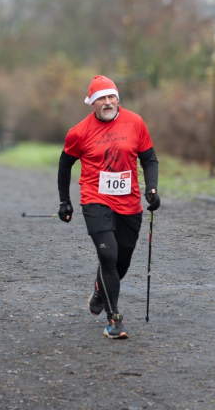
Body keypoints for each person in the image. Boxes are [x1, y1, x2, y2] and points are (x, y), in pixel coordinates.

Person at [57, 75, 160, 340]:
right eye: (101, 98)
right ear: (92, 103)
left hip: (129, 202)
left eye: (111, 96)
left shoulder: (135, 122)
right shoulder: (79, 132)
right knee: (108, 256)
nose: (107, 102)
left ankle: (100, 290)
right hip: (95, 199)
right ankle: (114, 320)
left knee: (122, 261)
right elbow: (65, 164)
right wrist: (64, 200)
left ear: (117, 98)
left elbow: (149, 158)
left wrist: (152, 189)